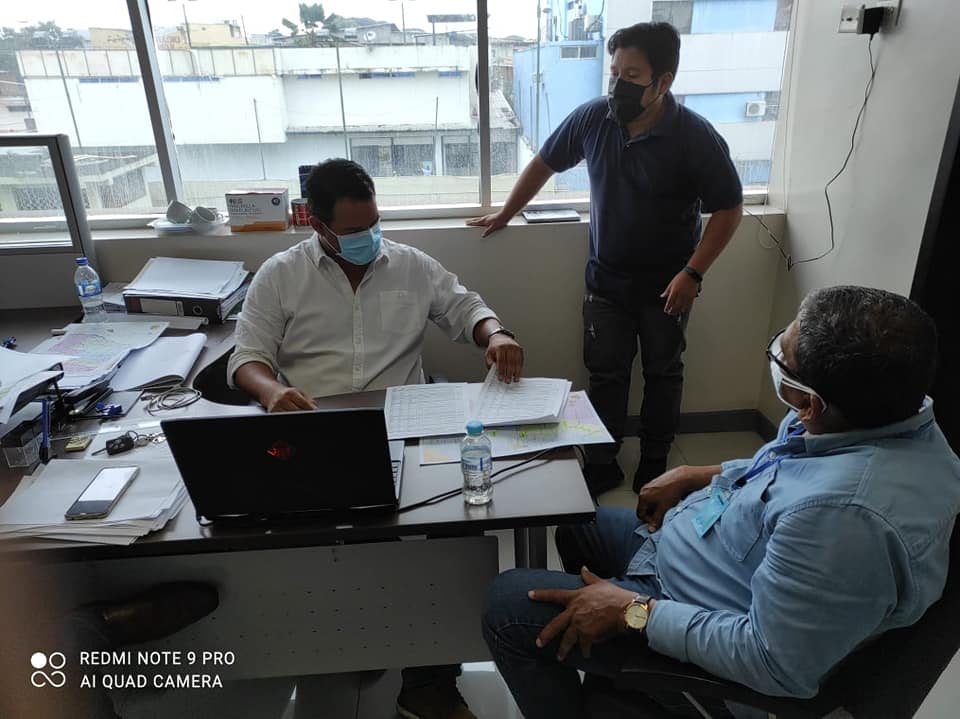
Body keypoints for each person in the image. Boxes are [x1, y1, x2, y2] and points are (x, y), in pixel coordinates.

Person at [481, 286, 960, 718]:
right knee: (576, 523)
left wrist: (632, 611)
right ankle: (606, 665)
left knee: (506, 606)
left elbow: (774, 664)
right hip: (692, 559)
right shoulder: (887, 417)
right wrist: (702, 474)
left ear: (810, 403)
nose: (776, 352)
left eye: (782, 355)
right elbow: (794, 467)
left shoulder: (844, 521)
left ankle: (638, 681)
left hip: (695, 619)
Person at [229, 158, 523, 719]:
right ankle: (346, 645)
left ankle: (429, 682)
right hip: (317, 429)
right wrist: (271, 392)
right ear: (318, 225)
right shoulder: (280, 275)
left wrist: (497, 334)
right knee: (314, 540)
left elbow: (465, 307)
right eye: (354, 230)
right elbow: (247, 357)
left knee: (452, 537)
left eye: (374, 223)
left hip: (406, 424)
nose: (370, 237)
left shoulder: (410, 264)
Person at [469, 22, 743, 495]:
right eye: (614, 72)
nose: (618, 84)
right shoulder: (594, 118)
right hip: (606, 283)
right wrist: (506, 213)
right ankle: (602, 460)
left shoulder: (694, 136)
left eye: (631, 75)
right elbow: (544, 162)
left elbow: (729, 209)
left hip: (668, 286)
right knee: (606, 375)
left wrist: (693, 273)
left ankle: (655, 461)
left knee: (663, 373)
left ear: (663, 81)